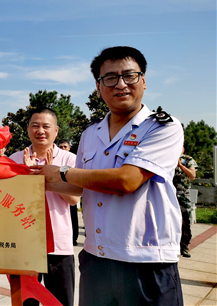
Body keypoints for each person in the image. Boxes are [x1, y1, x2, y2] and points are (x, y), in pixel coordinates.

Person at [33, 46, 184, 306]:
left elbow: (127, 180)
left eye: (130, 76)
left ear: (144, 80)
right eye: (110, 78)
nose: (121, 84)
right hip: (96, 260)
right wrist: (32, 181)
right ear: (98, 86)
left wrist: (63, 172)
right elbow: (79, 186)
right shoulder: (91, 133)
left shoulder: (162, 127)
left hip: (145, 262)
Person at [9, 109, 78, 306]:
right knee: (25, 302)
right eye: (35, 126)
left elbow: (73, 199)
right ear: (28, 129)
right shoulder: (14, 160)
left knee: (60, 301)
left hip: (59, 244)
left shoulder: (68, 160)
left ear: (55, 131)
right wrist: (27, 179)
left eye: (46, 126)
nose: (41, 131)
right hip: (24, 244)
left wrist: (48, 178)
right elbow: (9, 199)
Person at [173, 147, 197, 258]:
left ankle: (184, 247)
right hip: (168, 194)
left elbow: (192, 176)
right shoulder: (167, 156)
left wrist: (180, 166)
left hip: (182, 195)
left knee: (184, 221)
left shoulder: (188, 160)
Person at [58, 139, 79, 246]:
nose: (63, 149)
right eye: (61, 147)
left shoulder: (73, 158)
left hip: (70, 191)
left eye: (65, 146)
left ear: (69, 148)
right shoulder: (56, 158)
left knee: (73, 215)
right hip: (57, 192)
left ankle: (74, 238)